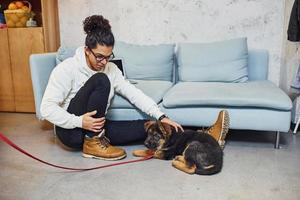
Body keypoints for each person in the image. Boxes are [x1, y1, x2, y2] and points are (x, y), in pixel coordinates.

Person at [40, 15, 229, 161]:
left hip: (98, 128)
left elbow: (134, 94)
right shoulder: (66, 69)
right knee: (101, 79)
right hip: (71, 132)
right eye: (99, 56)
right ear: (87, 50)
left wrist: (161, 116)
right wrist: (80, 122)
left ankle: (205, 138)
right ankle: (92, 144)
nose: (104, 62)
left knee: (152, 128)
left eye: (108, 56)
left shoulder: (110, 68)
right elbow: (46, 109)